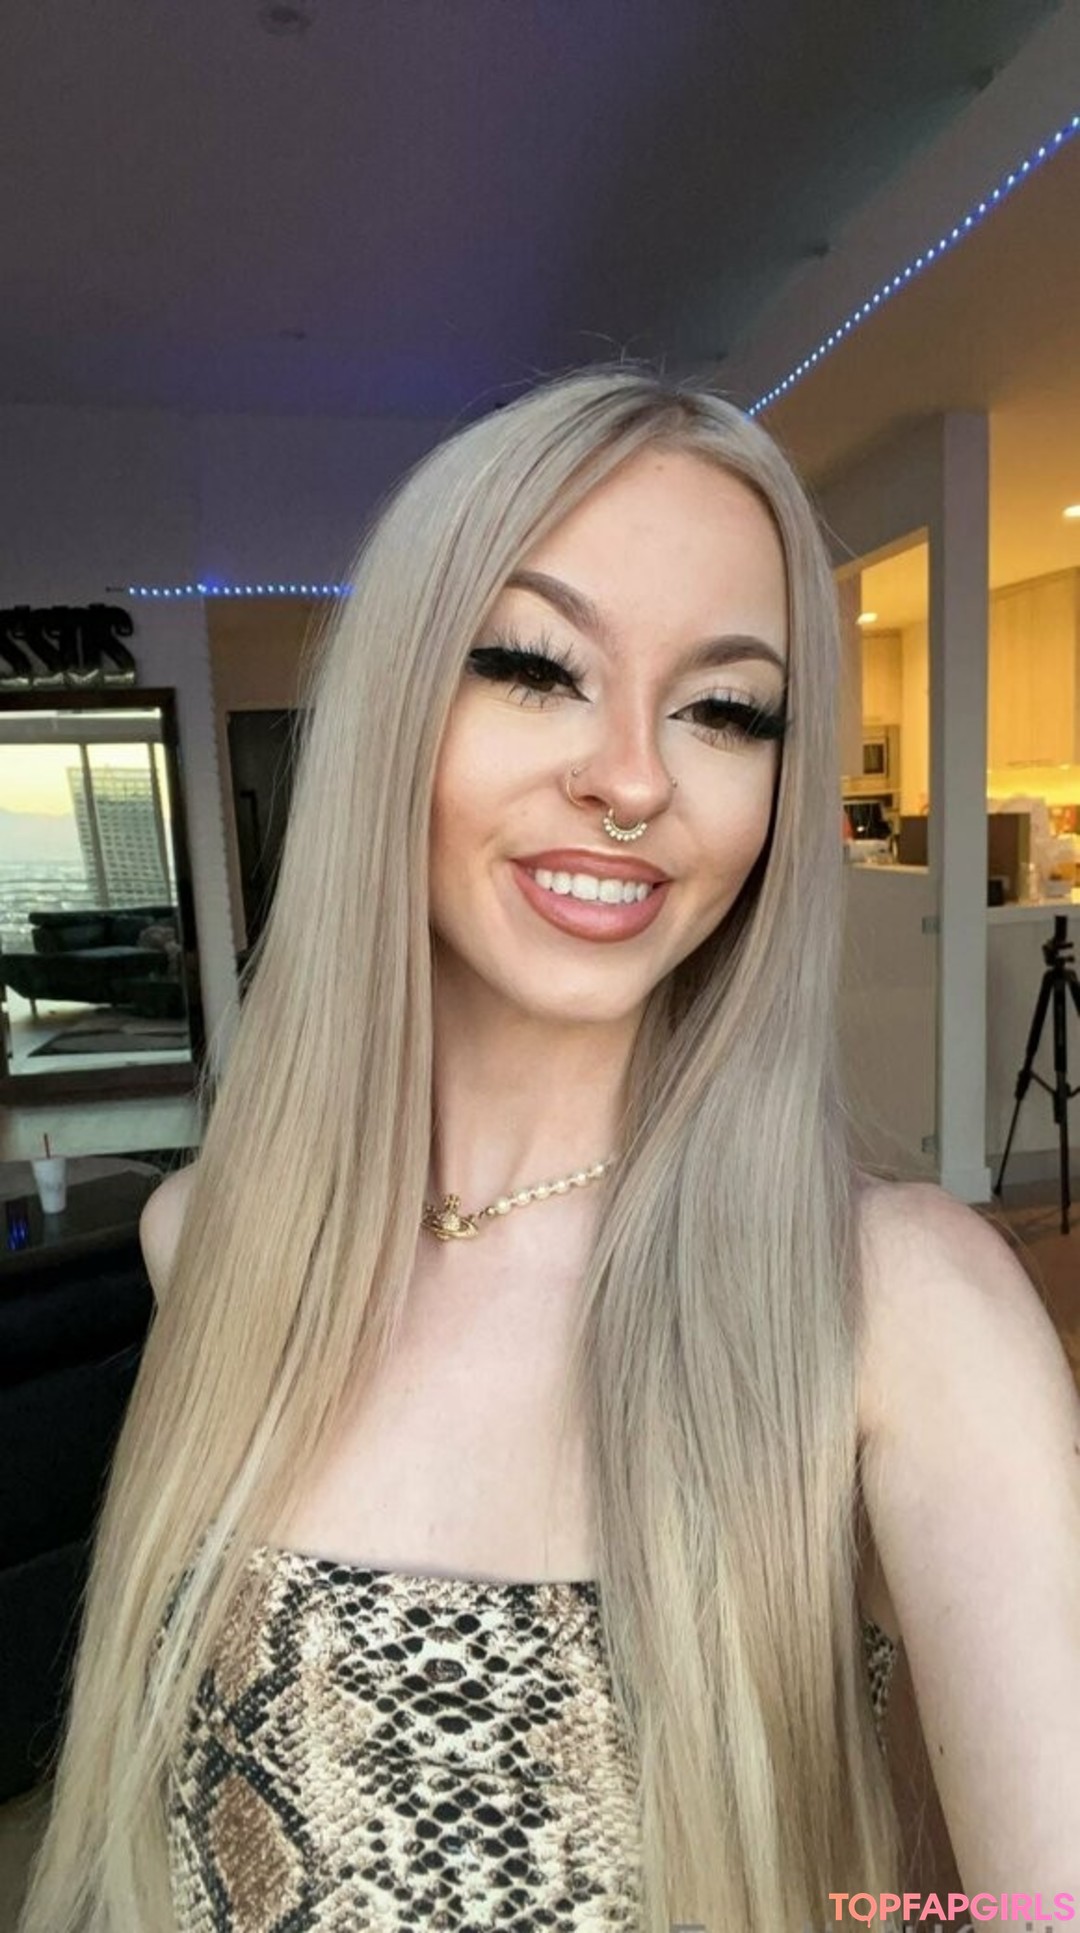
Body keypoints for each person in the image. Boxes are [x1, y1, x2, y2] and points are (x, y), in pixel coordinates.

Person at [19, 367, 1079, 1933]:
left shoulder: (897, 1305)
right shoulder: (216, 1236)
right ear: (397, 712)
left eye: (727, 709)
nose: (635, 777)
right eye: (535, 666)